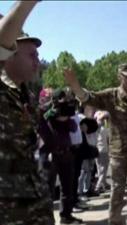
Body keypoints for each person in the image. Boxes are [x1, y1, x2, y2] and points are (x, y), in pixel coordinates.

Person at [63, 63, 127, 225]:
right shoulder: (111, 96)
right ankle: (115, 221)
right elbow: (87, 97)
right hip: (119, 152)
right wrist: (75, 85)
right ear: (119, 76)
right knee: (117, 190)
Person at [0, 1, 55, 225]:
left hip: (34, 204)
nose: (38, 62)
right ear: (10, 54)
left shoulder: (27, 97)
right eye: (31, 55)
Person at [39, 89, 83, 224]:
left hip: (66, 152)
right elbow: (39, 125)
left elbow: (74, 128)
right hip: (49, 153)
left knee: (67, 187)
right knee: (48, 189)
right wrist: (49, 114)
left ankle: (66, 216)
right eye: (60, 100)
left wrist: (66, 119)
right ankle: (46, 219)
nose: (63, 103)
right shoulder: (43, 111)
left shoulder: (67, 112)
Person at [94, 110, 111, 193]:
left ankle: (104, 184)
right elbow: (109, 139)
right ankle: (98, 186)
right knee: (103, 170)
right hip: (103, 150)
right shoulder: (104, 128)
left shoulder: (95, 127)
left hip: (97, 150)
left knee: (99, 169)